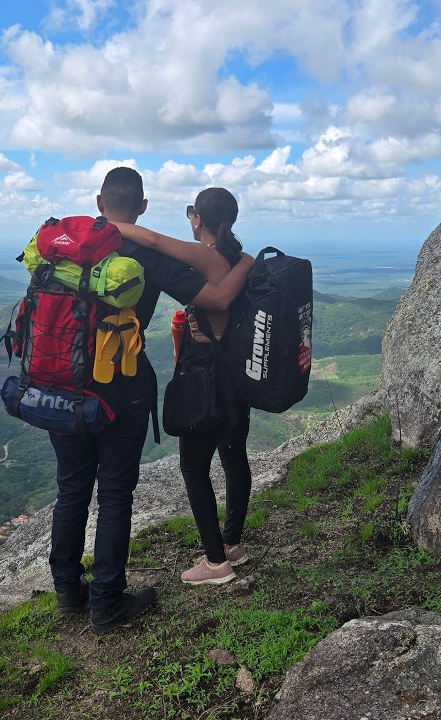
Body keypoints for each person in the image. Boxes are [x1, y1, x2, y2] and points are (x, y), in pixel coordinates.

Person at [48, 168, 252, 634]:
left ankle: (67, 591)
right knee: (114, 492)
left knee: (72, 488)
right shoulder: (143, 253)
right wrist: (246, 264)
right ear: (142, 206)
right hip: (119, 386)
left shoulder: (65, 245)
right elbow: (216, 296)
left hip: (59, 381)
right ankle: (106, 601)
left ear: (99, 202)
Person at [111, 187, 253, 586]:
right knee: (234, 458)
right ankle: (232, 544)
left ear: (198, 218)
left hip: (205, 374)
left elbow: (153, 240)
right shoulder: (240, 258)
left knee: (193, 467)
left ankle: (215, 562)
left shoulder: (208, 255)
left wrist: (107, 224)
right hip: (236, 374)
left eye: (191, 213)